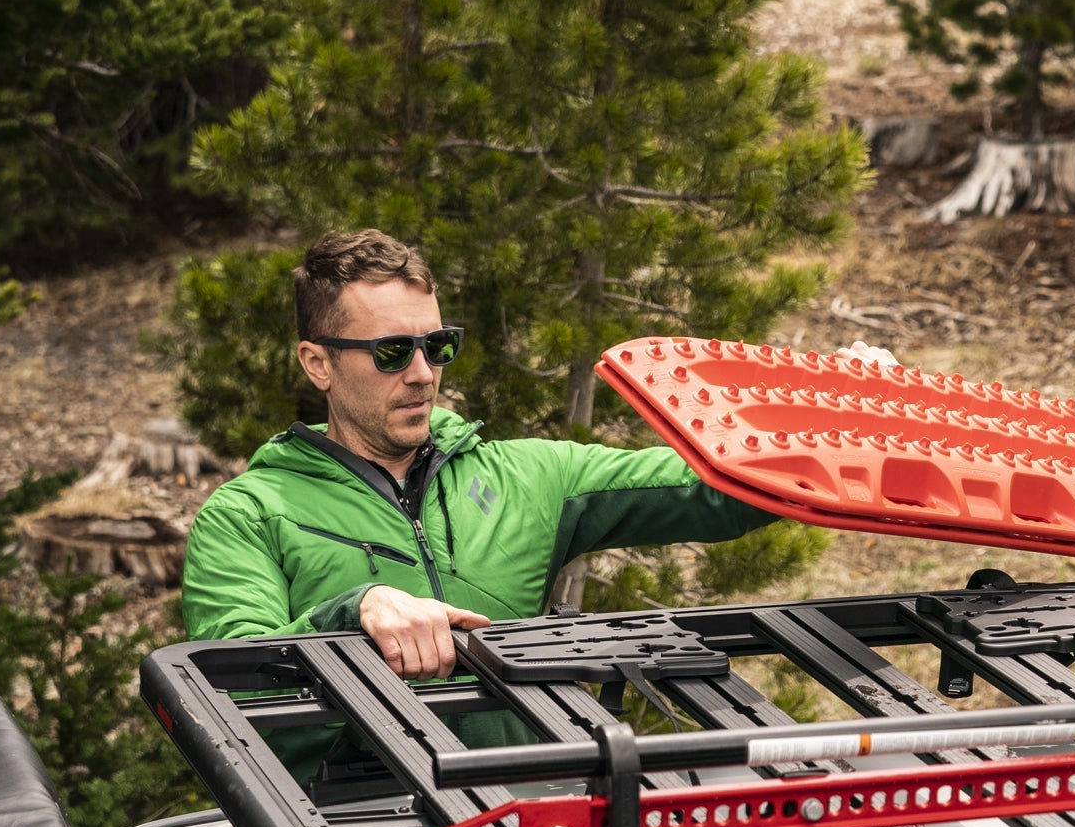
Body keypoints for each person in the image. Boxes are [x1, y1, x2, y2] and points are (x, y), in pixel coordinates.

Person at [181, 229, 847, 680]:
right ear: (318, 363)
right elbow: (233, 685)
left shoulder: (528, 476)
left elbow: (715, 489)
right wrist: (353, 611)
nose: (422, 374)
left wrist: (836, 416)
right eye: (392, 352)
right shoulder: (247, 516)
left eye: (437, 345)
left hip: (528, 819)